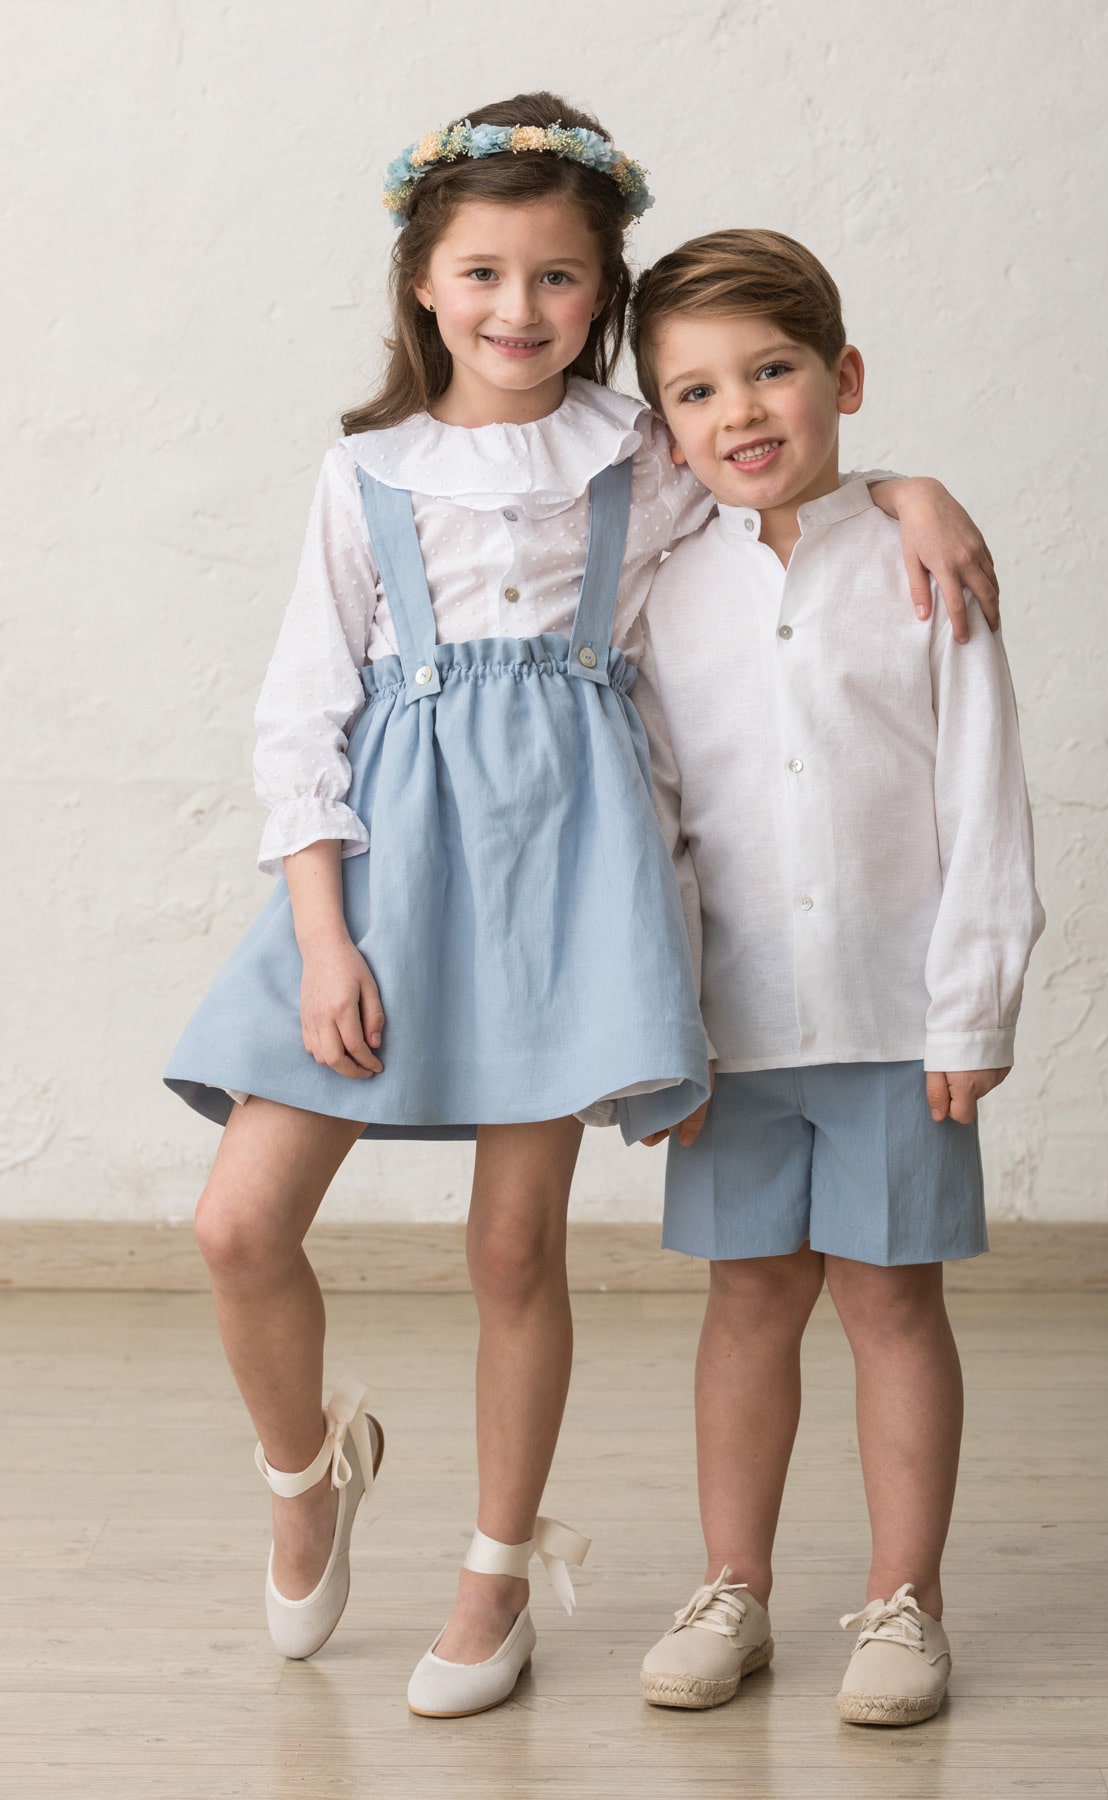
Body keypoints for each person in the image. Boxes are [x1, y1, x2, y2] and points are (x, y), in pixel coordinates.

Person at [163, 95, 1000, 1720]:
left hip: (565, 879)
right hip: (386, 874)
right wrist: (324, 934)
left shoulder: (633, 455)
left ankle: (495, 1572)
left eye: (559, 278)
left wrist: (908, 486)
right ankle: (306, 1467)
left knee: (512, 1247)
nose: (519, 310)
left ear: (600, 289)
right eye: (483, 272)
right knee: (238, 1222)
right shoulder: (365, 477)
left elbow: (777, 484)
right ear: (421, 283)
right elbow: (299, 716)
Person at [628, 229, 1044, 1724]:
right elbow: (657, 823)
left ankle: (904, 1602)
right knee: (748, 1298)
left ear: (843, 376)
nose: (738, 411)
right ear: (660, 427)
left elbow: (984, 790)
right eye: (692, 391)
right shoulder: (661, 587)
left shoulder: (924, 559)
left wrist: (973, 1002)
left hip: (894, 1017)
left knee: (890, 1301)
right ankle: (733, 1585)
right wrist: (661, 1030)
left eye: (772, 369)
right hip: (730, 1032)